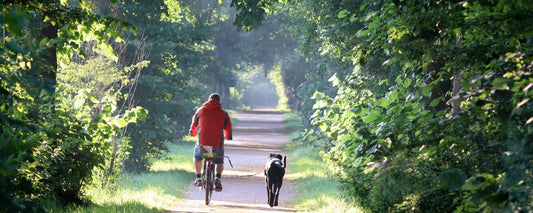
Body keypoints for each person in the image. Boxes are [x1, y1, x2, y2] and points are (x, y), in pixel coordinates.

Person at [189, 93, 232, 191]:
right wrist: (228, 136)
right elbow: (228, 127)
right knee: (219, 161)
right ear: (219, 101)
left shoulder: (200, 111)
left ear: (209, 100)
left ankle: (199, 177)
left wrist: (193, 133)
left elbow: (194, 124)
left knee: (197, 157)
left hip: (203, 141)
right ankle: (218, 178)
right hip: (217, 143)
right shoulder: (223, 113)